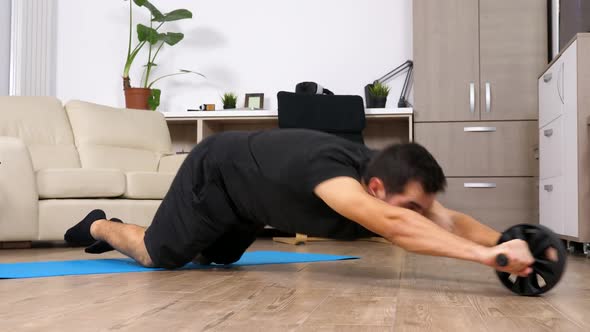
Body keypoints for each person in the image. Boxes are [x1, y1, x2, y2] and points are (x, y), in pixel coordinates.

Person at [65, 129, 534, 276]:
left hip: (252, 203)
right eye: (410, 206)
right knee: (160, 255)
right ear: (374, 190)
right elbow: (396, 226)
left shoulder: (389, 174)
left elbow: (447, 218)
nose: (420, 214)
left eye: (420, 206)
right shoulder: (332, 176)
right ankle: (101, 224)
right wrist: (486, 257)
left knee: (216, 260)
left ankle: (189, 238)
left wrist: (509, 245)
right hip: (217, 177)